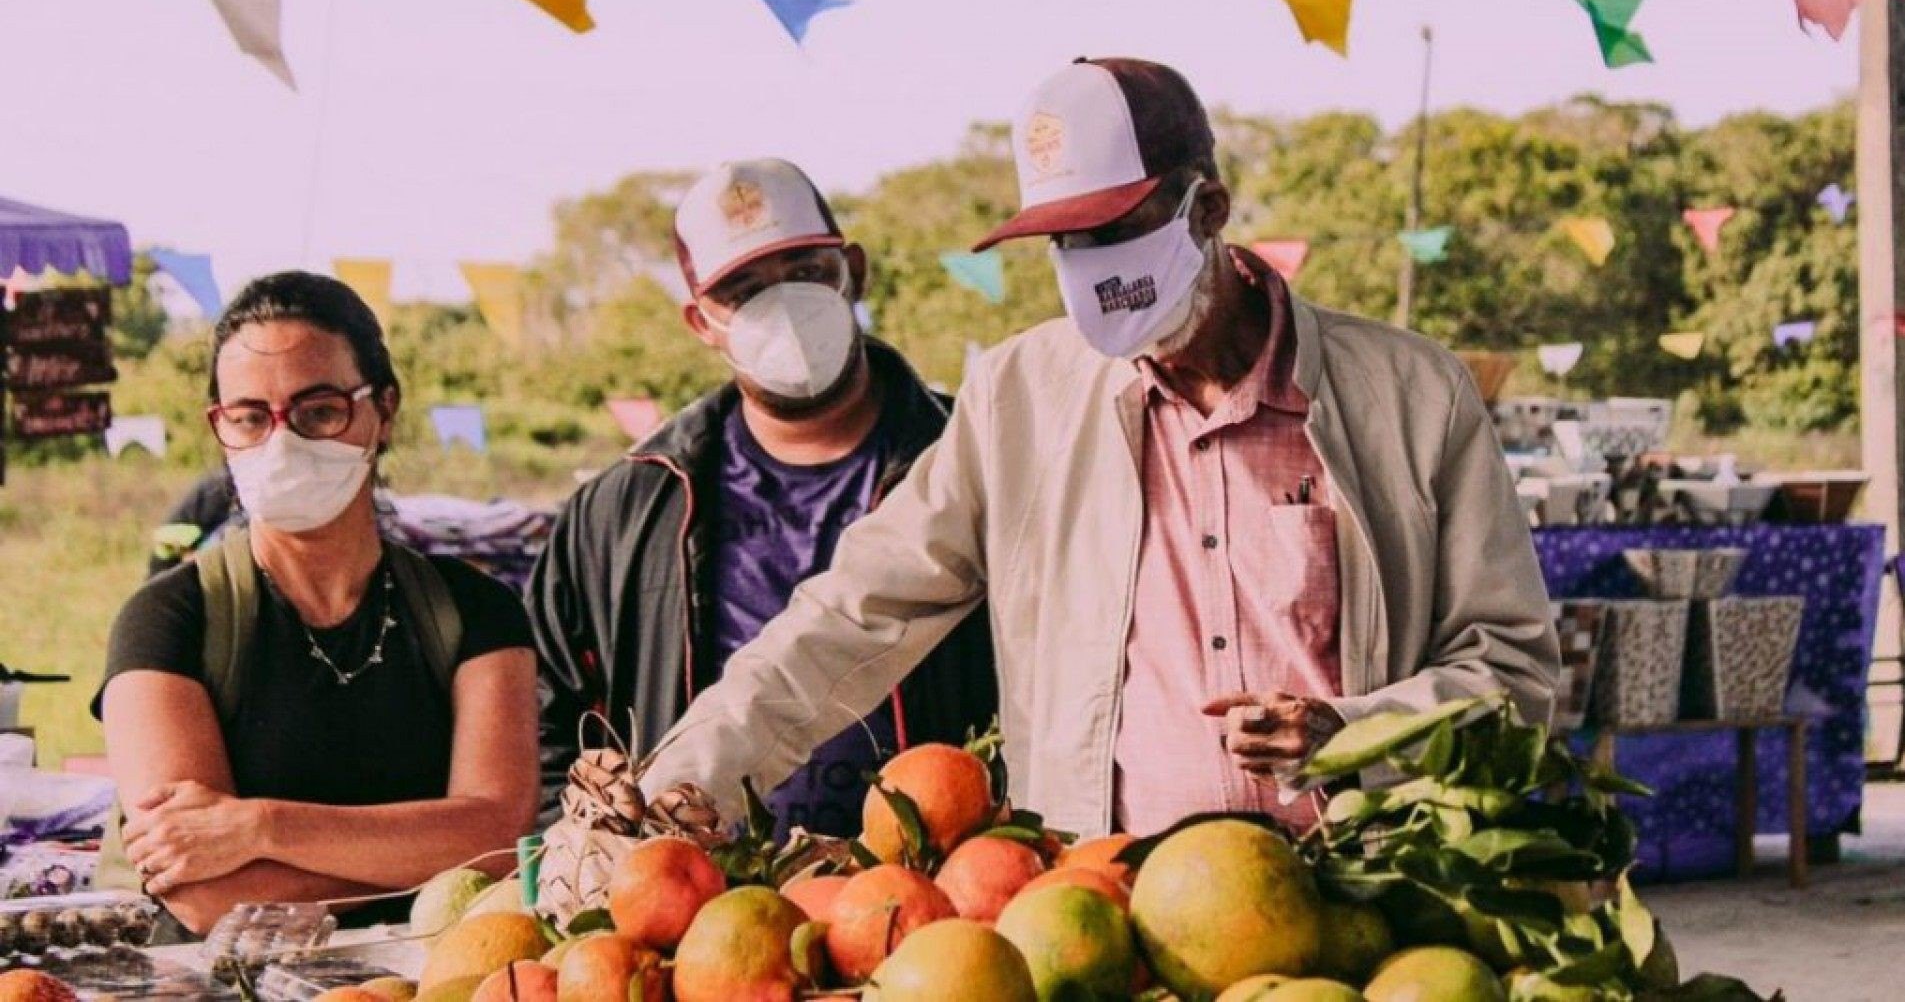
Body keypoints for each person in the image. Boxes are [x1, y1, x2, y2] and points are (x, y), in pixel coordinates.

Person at [639, 59, 1559, 840]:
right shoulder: (1021, 399)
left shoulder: (1409, 393)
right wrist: (672, 789)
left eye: (1117, 230)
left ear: (1209, 208)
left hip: (1364, 906)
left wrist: (1356, 733)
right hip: (1104, 917)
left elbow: (1514, 671)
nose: (1090, 264)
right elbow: (850, 616)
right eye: (1062, 239)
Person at [525, 159, 996, 838]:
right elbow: (544, 729)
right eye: (744, 292)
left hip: (945, 895)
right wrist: (604, 865)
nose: (785, 308)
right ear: (700, 322)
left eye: (806, 273)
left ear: (853, 271)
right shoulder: (622, 511)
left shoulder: (970, 457)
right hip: (699, 910)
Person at [96, 273, 538, 936]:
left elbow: (498, 836)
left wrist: (260, 827)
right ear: (219, 429)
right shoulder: (168, 621)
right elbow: (202, 894)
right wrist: (428, 856)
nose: (283, 443)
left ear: (383, 411)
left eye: (319, 410)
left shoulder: (478, 613)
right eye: (249, 417)